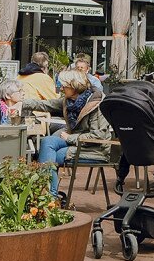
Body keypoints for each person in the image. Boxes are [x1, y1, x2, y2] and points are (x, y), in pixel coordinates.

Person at [24, 69, 111, 202]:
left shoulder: (97, 103)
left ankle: (48, 197)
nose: (61, 88)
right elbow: (46, 104)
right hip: (76, 141)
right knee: (47, 141)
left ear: (74, 86)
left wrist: (70, 138)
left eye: (64, 85)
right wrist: (21, 103)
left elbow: (99, 136)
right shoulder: (68, 101)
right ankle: (49, 196)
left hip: (95, 149)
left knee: (53, 156)